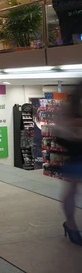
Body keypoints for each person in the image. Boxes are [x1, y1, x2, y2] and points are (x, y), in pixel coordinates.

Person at [54, 81, 82, 245]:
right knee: (72, 189)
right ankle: (71, 224)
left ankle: (70, 224)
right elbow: (62, 129)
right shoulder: (68, 108)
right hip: (75, 152)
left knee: (73, 188)